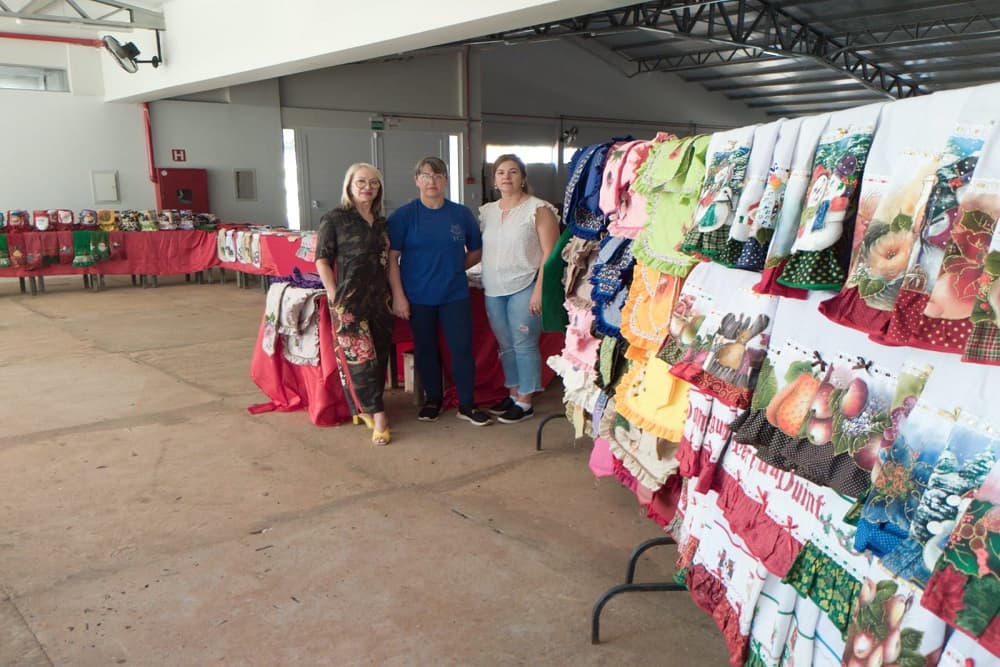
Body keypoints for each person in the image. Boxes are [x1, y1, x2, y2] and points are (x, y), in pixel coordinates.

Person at [387, 157, 492, 426]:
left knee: (461, 349)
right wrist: (399, 296)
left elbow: (477, 250)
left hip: (454, 295)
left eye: (437, 176)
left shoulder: (460, 214)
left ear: (446, 180)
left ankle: (467, 404)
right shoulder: (404, 216)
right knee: (425, 349)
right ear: (417, 180)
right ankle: (433, 399)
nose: (431, 181)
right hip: (417, 296)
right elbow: (392, 258)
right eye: (425, 175)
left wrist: (457, 267)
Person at [315, 163, 393, 445]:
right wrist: (334, 294)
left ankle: (367, 407)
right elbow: (322, 259)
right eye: (361, 182)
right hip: (349, 301)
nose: (367, 187)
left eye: (373, 182)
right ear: (349, 185)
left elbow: (390, 261)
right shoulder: (334, 218)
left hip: (381, 299)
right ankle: (379, 416)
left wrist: (396, 294)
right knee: (361, 360)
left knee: (379, 357)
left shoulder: (382, 221)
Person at [478, 154, 560, 423]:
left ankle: (526, 400)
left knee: (523, 343)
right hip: (493, 287)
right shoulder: (487, 211)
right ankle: (513, 394)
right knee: (506, 344)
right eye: (501, 172)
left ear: (523, 178)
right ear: (494, 180)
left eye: (513, 172)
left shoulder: (539, 209)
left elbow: (550, 254)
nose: (506, 177)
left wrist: (540, 290)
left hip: (525, 285)